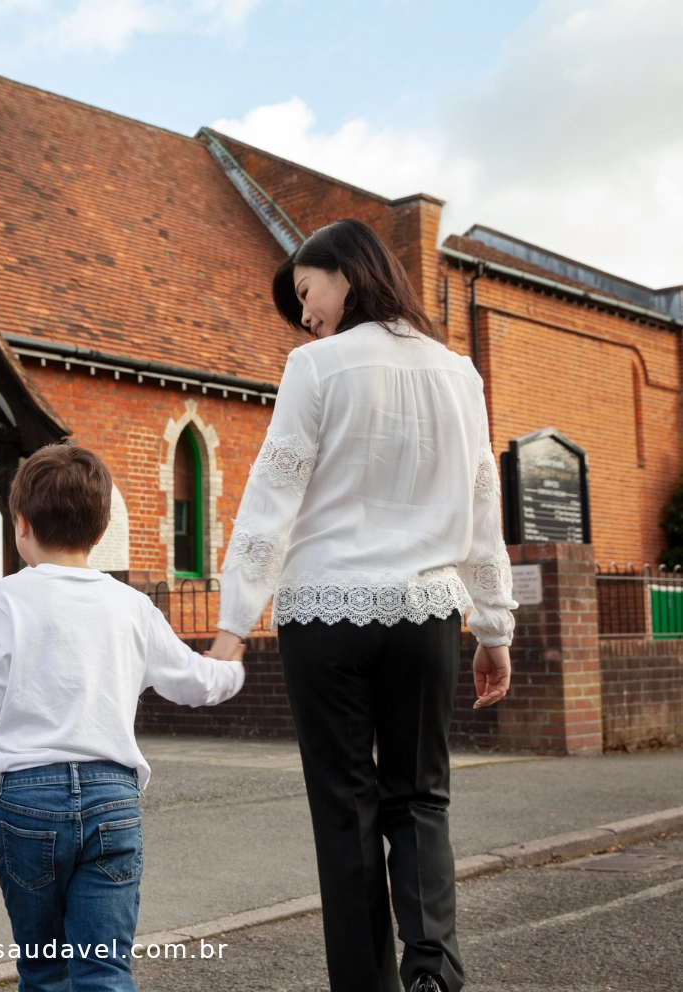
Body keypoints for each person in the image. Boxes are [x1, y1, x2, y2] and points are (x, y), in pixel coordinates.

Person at [208, 219, 516, 992]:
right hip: (426, 615)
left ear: (347, 272)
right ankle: (433, 975)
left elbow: (272, 495)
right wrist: (493, 626)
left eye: (307, 293)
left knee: (346, 810)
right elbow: (484, 506)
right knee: (422, 799)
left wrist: (232, 625)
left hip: (325, 616)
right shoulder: (461, 376)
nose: (304, 314)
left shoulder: (317, 368)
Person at [0, 444, 244, 992]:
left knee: (43, 971)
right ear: (101, 532)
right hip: (113, 798)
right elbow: (195, 681)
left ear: (22, 525)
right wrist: (232, 663)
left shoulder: (4, 601)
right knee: (103, 971)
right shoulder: (132, 606)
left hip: (28, 800)